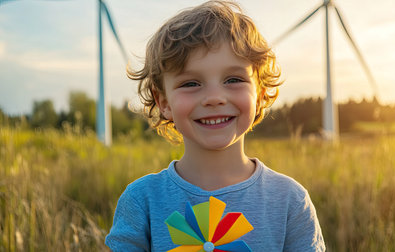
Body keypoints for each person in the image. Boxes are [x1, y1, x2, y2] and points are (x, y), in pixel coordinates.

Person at [105, 1, 325, 251]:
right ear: (164, 102)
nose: (214, 98)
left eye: (233, 79)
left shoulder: (290, 201)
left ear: (261, 94)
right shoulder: (142, 201)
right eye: (191, 83)